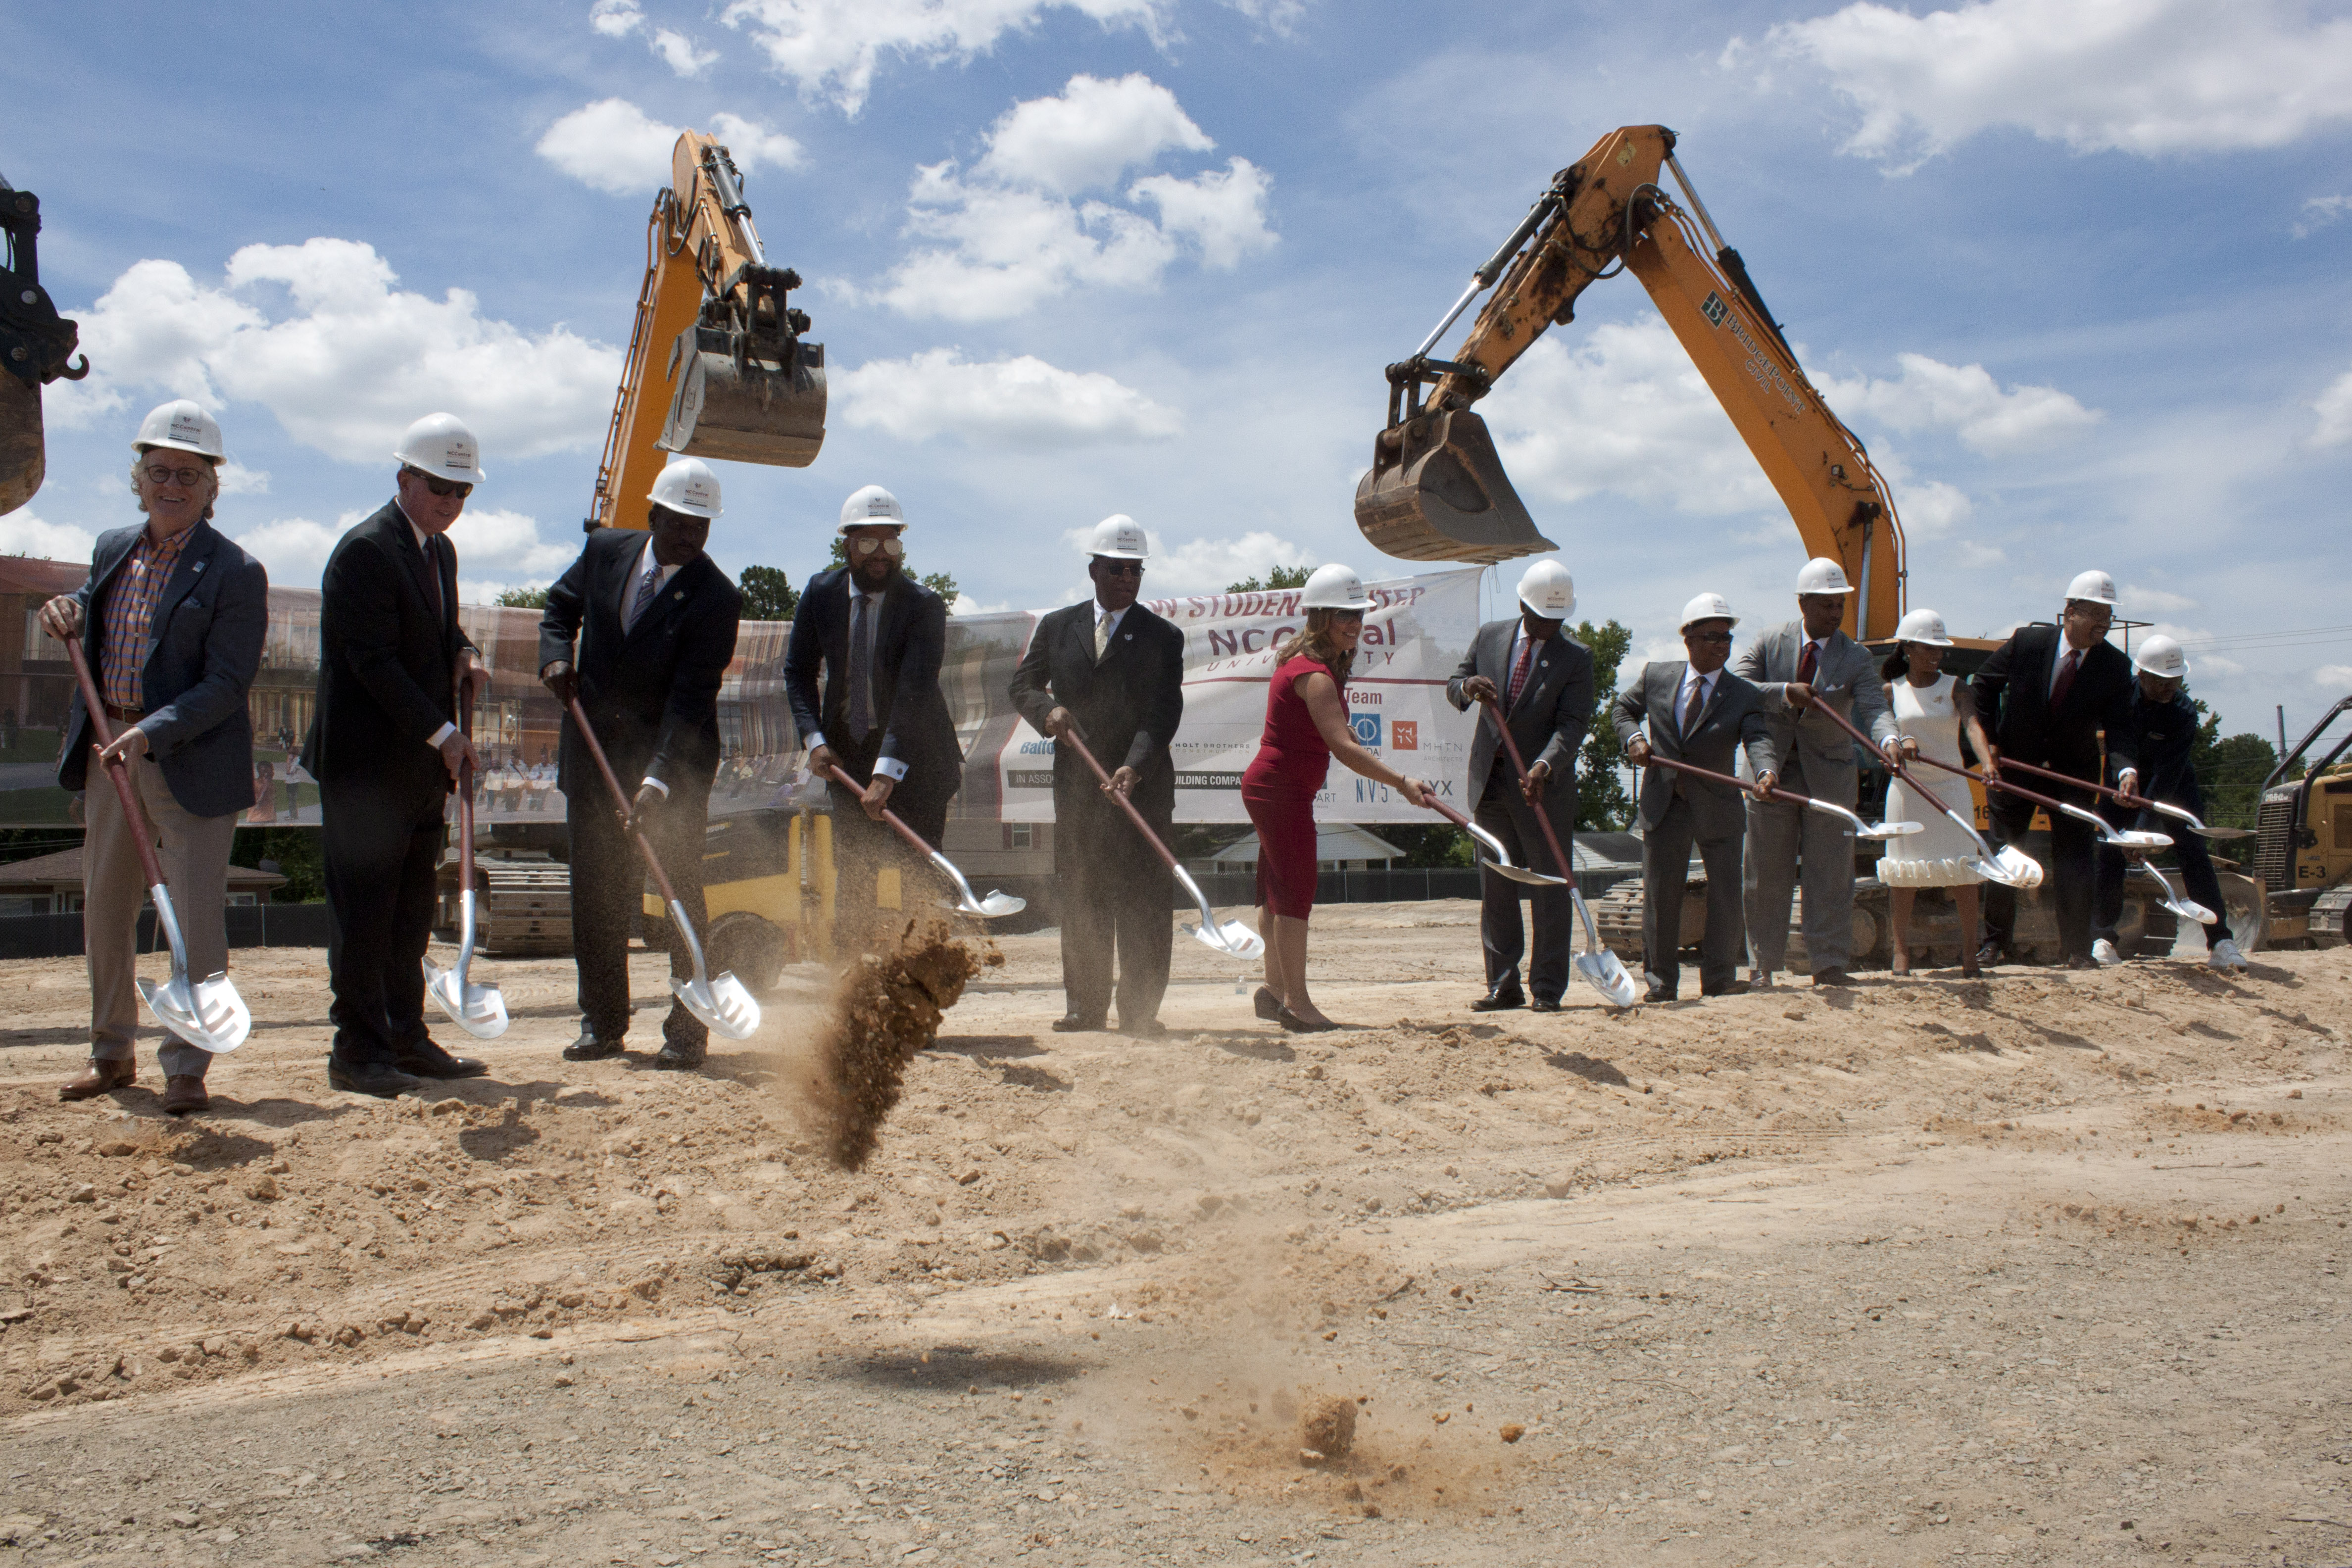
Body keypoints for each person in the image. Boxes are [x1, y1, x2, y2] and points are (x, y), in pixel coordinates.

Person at [40, 400, 268, 1117]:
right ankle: (111, 1053)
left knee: (193, 921)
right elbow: (89, 606)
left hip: (189, 760)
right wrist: (63, 608)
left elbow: (228, 683)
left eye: (189, 475)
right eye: (160, 471)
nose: (173, 485)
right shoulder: (114, 548)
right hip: (112, 756)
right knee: (106, 912)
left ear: (212, 488)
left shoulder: (236, 570)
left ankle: (186, 1068)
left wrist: (152, 732)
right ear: (138, 479)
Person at [302, 412, 493, 1097]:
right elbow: (374, 662)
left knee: (410, 914)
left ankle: (405, 1036)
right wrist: (446, 735)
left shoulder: (436, 552)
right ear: (404, 476)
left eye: (462, 492)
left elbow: (434, 629)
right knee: (365, 915)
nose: (450, 502)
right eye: (439, 486)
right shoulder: (365, 552)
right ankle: (357, 1049)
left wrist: (464, 650)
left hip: (414, 771)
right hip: (364, 771)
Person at [540, 457, 744, 1068]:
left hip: (672, 766)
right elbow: (560, 606)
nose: (692, 536)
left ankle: (687, 1031)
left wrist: (656, 780)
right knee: (598, 893)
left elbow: (690, 702)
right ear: (653, 513)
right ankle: (601, 1024)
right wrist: (555, 657)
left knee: (679, 892)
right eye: (681, 522)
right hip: (596, 754)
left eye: (703, 526)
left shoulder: (716, 598)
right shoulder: (605, 550)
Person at [1009, 516, 1187, 1036]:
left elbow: (1162, 713)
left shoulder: (1162, 637)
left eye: (1136, 570)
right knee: (1085, 896)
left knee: (1144, 901)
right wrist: (1047, 712)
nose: (1128, 578)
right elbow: (1022, 684)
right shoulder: (1058, 627)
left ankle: (1138, 1011)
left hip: (1142, 789)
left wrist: (1134, 766)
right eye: (1117, 569)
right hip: (1080, 790)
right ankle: (1084, 1008)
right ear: (1093, 569)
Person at [1241, 564, 1431, 1032]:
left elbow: (1334, 733)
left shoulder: (1309, 666)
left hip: (1277, 789)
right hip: (1281, 791)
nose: (1354, 624)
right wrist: (1402, 782)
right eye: (1344, 614)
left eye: (1358, 615)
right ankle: (1299, 1006)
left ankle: (1275, 992)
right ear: (1321, 615)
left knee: (1276, 892)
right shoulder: (1317, 675)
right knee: (1295, 894)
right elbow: (1343, 747)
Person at [783, 485, 964, 946]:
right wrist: (815, 739)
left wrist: (888, 772)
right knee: (856, 877)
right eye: (868, 543)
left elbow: (914, 691)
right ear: (846, 545)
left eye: (891, 542)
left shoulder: (923, 605)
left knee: (917, 880)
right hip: (848, 760)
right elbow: (797, 671)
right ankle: (853, 990)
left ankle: (919, 984)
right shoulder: (820, 593)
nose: (880, 554)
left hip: (919, 762)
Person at [1734, 557, 1902, 988]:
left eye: (1839, 605)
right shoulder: (1770, 641)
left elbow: (1874, 707)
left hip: (1830, 776)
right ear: (1803, 602)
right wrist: (1785, 693)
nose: (1835, 613)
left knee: (1830, 873)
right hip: (1770, 772)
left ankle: (1829, 964)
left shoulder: (1857, 657)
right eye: (1826, 604)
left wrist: (1889, 742)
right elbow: (1737, 689)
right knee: (1766, 873)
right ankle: (1764, 966)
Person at [1612, 593, 1780, 1003]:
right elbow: (1622, 709)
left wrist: (1766, 770)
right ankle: (1661, 982)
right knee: (1661, 894)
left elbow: (1757, 738)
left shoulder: (1743, 694)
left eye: (1727, 638)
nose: (1722, 645)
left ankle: (1720, 978)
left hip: (1718, 806)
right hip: (1665, 804)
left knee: (1725, 894)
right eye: (1712, 637)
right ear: (1687, 638)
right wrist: (1634, 739)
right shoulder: (1657, 677)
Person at [1968, 570, 2138, 970]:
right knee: (2005, 855)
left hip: (2073, 773)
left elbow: (2122, 728)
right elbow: (1983, 685)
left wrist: (2125, 770)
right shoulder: (2028, 643)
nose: (2104, 623)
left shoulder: (2115, 667)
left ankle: (2076, 950)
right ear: (2070, 611)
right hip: (2015, 766)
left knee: (2076, 860)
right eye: (2096, 613)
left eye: (2109, 616)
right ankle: (1995, 944)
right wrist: (1989, 743)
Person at [1444, 559, 1593, 1013]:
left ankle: (1547, 989)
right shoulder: (1491, 636)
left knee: (1549, 886)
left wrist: (1545, 766)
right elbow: (1453, 684)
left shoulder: (1577, 657)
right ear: (1522, 605)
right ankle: (1503, 985)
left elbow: (1572, 725)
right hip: (1489, 782)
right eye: (1543, 617)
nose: (1550, 626)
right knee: (1499, 889)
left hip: (1542, 790)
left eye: (1558, 620)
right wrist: (1469, 687)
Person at [2090, 635, 2248, 972]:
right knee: (2109, 851)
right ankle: (2102, 938)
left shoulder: (2184, 712)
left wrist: (2145, 832)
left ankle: (2220, 940)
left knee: (2194, 853)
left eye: (2175, 681)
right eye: (2161, 681)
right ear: (2142, 675)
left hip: (2173, 786)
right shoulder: (2122, 699)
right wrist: (2125, 776)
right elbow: (2118, 742)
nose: (2169, 688)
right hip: (2123, 781)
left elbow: (2168, 773)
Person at [1874, 609, 1993, 976]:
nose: (1937, 655)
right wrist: (1896, 745)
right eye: (1928, 648)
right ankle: (1901, 952)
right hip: (1908, 791)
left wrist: (1987, 762)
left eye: (1940, 648)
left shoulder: (1956, 686)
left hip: (1952, 787)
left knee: (1963, 872)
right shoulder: (1890, 691)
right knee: (1904, 873)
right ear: (1908, 648)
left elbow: (1973, 727)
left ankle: (1970, 953)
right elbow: (1882, 738)